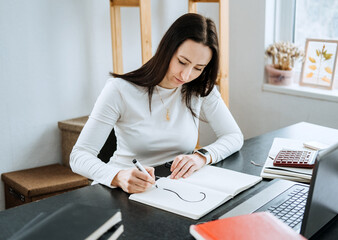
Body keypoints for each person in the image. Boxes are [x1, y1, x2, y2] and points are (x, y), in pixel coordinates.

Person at [70, 13, 243, 194]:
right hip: (120, 191)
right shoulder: (120, 90)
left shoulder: (198, 88)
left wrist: (201, 157)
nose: (186, 75)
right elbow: (79, 156)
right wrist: (118, 175)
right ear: (167, 50)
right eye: (182, 62)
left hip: (172, 188)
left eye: (198, 68)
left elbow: (233, 136)